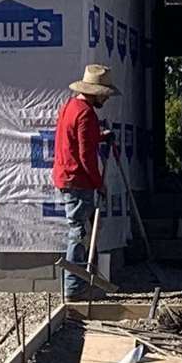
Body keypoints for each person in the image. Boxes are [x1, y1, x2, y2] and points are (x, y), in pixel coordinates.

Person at [49, 62, 115, 301]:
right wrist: (99, 183)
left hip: (68, 176)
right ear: (94, 92)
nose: (105, 100)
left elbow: (78, 139)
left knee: (80, 230)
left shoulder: (70, 107)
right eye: (104, 95)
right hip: (78, 179)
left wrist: (100, 135)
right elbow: (86, 155)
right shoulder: (86, 113)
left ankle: (81, 283)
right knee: (78, 232)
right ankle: (74, 288)